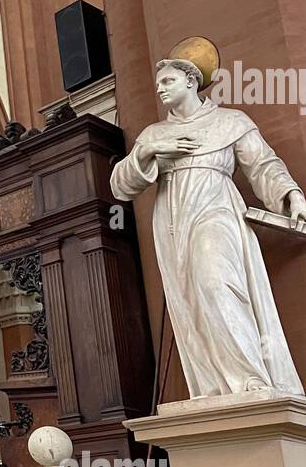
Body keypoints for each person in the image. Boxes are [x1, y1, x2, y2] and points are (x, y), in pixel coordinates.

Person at [111, 56, 306, 398]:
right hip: (172, 220)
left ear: (190, 81)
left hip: (216, 207)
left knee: (216, 282)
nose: (160, 89)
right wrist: (149, 152)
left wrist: (291, 194)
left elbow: (263, 164)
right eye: (158, 84)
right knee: (189, 299)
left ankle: (249, 379)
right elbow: (120, 186)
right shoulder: (154, 134)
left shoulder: (231, 121)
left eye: (168, 81)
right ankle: (215, 386)